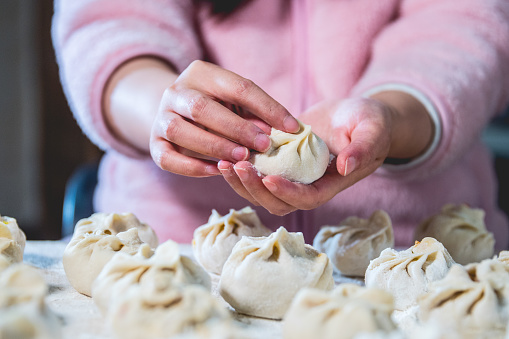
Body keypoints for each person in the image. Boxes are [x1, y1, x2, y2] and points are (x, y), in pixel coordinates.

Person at [52, 0, 509, 249]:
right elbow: (110, 22)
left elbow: (465, 27)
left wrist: (389, 116)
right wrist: (166, 107)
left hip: (415, 252)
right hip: (177, 252)